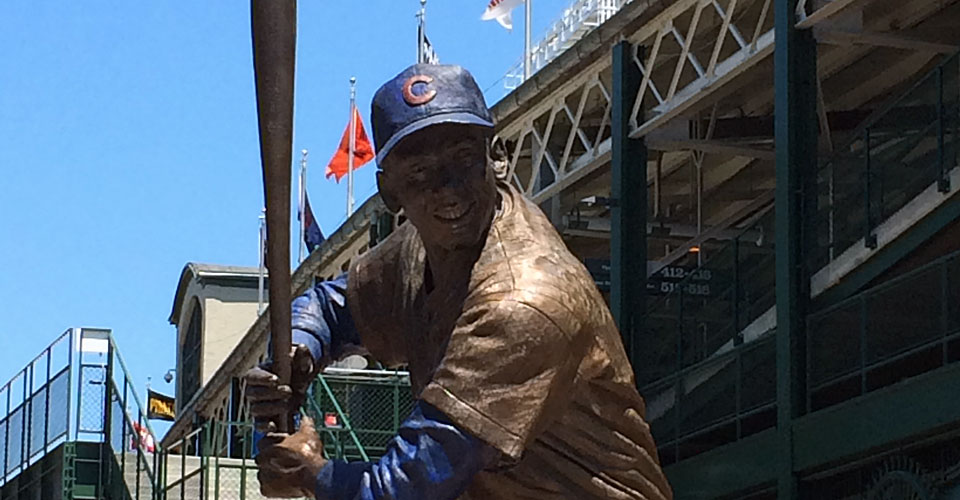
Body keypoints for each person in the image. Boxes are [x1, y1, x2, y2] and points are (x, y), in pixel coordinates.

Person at [244, 64, 673, 500]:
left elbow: (408, 488)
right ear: (390, 192)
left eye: (463, 160)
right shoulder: (424, 244)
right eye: (419, 174)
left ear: (497, 157)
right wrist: (296, 351)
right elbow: (332, 306)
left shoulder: (525, 298)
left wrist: (311, 473)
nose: (447, 190)